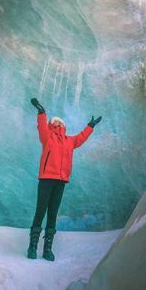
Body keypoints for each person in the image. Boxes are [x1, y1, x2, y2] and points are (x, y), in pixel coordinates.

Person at [27, 96, 102, 261]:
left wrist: (90, 126)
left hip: (61, 181)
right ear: (52, 124)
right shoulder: (47, 138)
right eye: (56, 122)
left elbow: (81, 138)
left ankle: (47, 249)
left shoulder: (69, 141)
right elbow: (41, 128)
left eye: (60, 122)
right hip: (46, 178)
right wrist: (42, 112)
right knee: (40, 212)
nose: (59, 124)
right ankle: (32, 247)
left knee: (53, 213)